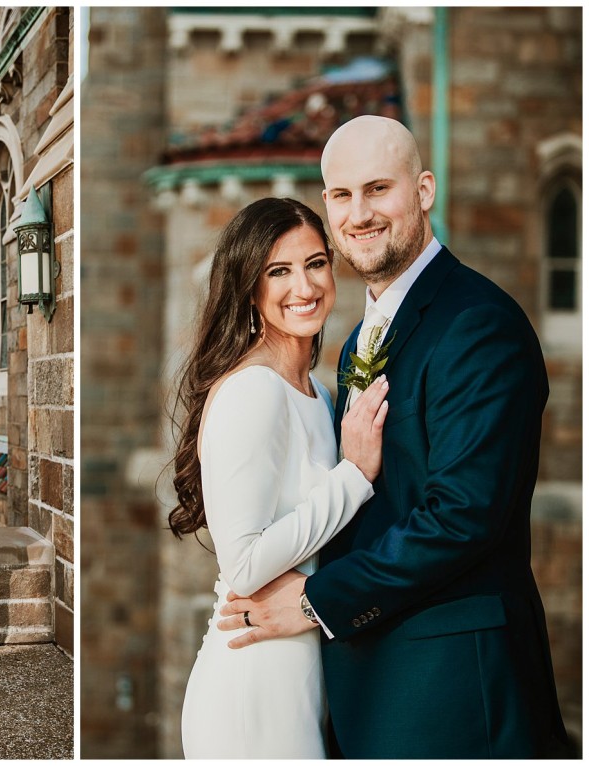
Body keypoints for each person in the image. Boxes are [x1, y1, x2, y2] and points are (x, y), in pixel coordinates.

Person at [218, 116, 571, 758]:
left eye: (379, 189)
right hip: (368, 686)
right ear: (328, 205)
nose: (361, 213)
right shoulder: (362, 339)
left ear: (424, 190)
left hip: (452, 689)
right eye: (343, 195)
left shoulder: (476, 324)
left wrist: (315, 602)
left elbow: (464, 515)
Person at [169, 197, 390, 758]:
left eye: (316, 263)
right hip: (254, 681)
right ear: (249, 288)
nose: (305, 286)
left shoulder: (319, 395)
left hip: (303, 671)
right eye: (279, 271)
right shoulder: (253, 390)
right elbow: (242, 562)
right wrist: (355, 476)